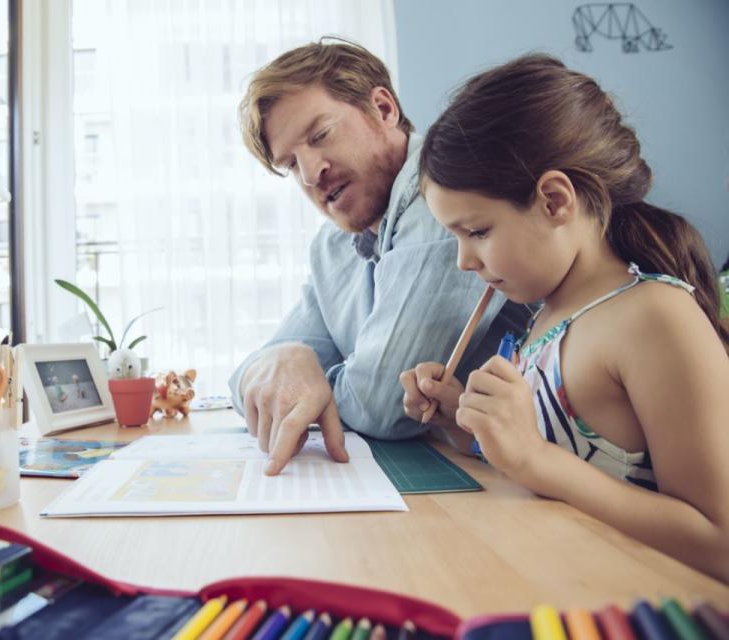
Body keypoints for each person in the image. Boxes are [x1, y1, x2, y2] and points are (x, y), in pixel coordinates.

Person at [401, 53, 729, 581]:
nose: (464, 260)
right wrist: (464, 420)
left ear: (555, 200)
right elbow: (562, 458)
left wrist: (532, 458)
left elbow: (719, 543)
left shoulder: (655, 317)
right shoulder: (547, 316)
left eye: (477, 232)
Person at [230, 38, 530, 475]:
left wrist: (306, 382)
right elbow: (250, 385)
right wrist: (285, 357)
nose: (312, 174)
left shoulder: (446, 201)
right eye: (291, 164)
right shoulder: (332, 245)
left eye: (320, 135)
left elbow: (382, 405)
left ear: (384, 109)